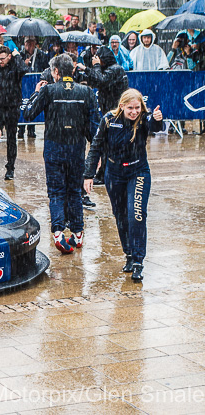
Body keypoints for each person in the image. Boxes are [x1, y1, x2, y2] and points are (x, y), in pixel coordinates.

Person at [84, 89, 164, 281]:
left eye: (137, 108)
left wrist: (158, 119)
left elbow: (155, 127)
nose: (134, 112)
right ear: (122, 106)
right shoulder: (109, 120)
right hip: (115, 173)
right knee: (120, 215)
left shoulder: (144, 119)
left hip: (138, 171)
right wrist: (88, 175)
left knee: (136, 214)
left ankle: (138, 261)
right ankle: (128, 254)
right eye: (130, 108)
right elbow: (96, 146)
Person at [24, 54, 100, 254]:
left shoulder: (48, 90)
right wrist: (97, 155)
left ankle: (58, 232)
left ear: (55, 72)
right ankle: (77, 232)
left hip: (54, 150)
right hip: (76, 149)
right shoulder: (87, 92)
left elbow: (28, 114)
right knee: (75, 192)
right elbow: (95, 130)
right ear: (73, 71)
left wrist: (36, 93)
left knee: (56, 192)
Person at [85, 46, 129, 185]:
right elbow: (95, 81)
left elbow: (101, 81)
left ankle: (104, 174)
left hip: (115, 112)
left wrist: (96, 66)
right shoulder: (112, 69)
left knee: (107, 143)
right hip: (110, 111)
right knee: (107, 143)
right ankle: (105, 172)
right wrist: (87, 69)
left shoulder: (115, 69)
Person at [0, 45, 28, 180]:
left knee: (11, 138)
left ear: (9, 57)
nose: (0, 61)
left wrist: (17, 55)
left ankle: (10, 168)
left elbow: (24, 69)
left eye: (3, 59)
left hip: (12, 107)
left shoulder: (15, 67)